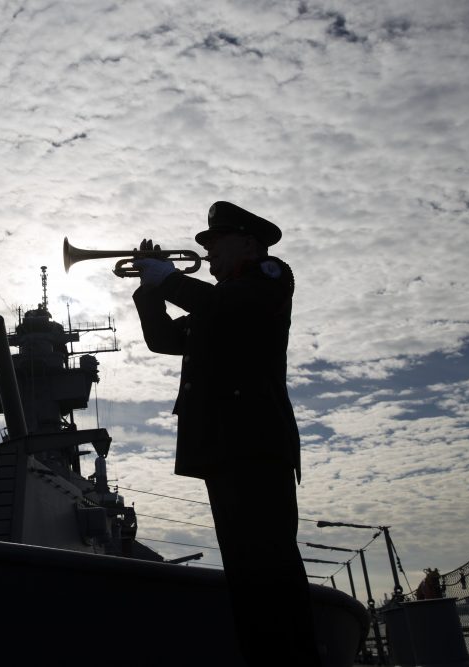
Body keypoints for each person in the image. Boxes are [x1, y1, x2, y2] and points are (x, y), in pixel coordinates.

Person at [132, 201, 319, 666]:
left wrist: (167, 278)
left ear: (249, 244)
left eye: (216, 243)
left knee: (269, 569)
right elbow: (165, 341)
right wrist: (150, 288)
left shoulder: (268, 279)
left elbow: (222, 305)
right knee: (246, 574)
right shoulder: (219, 300)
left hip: (254, 443)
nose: (209, 252)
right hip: (223, 446)